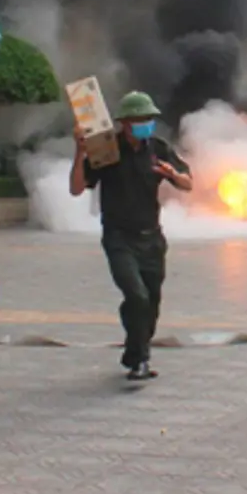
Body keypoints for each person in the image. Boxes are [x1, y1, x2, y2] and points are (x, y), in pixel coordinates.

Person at [69, 89, 193, 381]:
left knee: (150, 302)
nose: (146, 124)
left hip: (152, 239)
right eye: (140, 119)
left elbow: (188, 182)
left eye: (149, 118)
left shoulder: (158, 148)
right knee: (136, 296)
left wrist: (172, 174)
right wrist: (80, 152)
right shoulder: (106, 152)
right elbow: (76, 188)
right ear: (124, 122)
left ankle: (134, 349)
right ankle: (140, 360)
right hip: (119, 238)